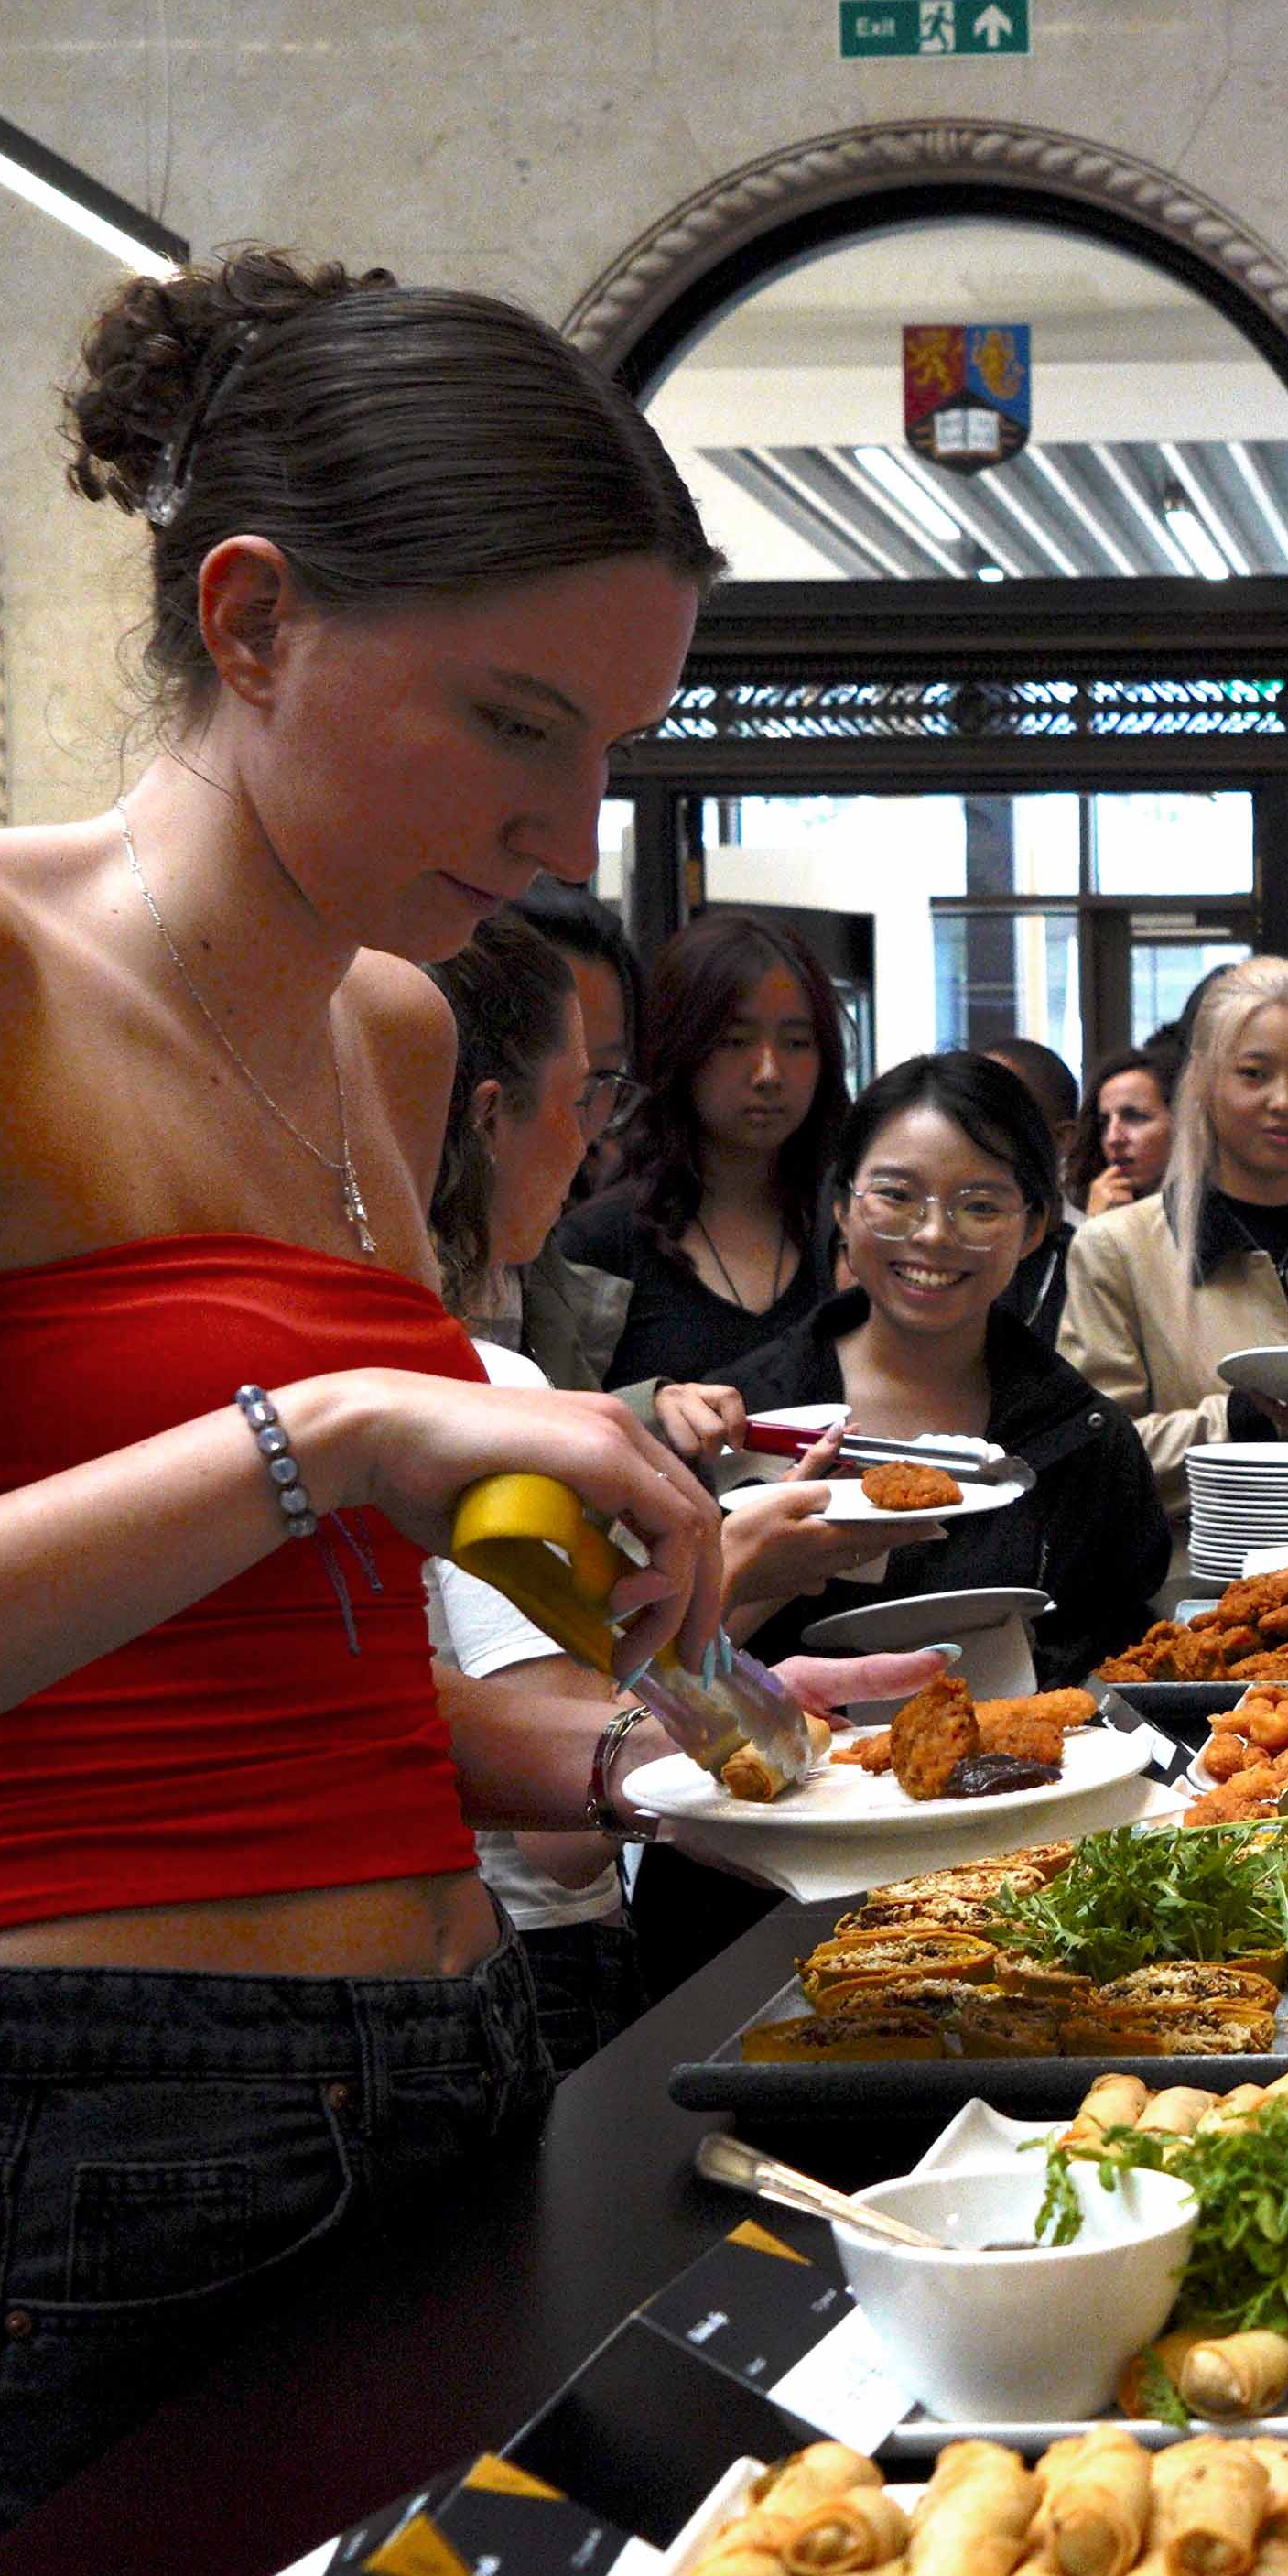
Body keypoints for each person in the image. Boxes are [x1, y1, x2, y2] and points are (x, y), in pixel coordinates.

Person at [0, 247, 908, 2576]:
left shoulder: (386, 1030)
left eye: (610, 742)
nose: (566, 815)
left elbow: (316, 1691)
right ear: (250, 620)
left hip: (452, 2093)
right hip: (99, 2165)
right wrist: (334, 1433)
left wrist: (657, 1731)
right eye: (509, 719)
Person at [413, 910, 898, 2074]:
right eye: (586, 1099)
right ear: (489, 1117)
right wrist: (726, 1616)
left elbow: (574, 1681)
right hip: (519, 1966)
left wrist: (733, 1688)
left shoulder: (414, 1369)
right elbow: (562, 1831)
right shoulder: (478, 1386)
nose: (593, 1142)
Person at [631, 1054, 1168, 1994]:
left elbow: (1115, 1684)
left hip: (1012, 1895)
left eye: (979, 1205)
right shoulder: (740, 1418)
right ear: (841, 1207)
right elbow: (640, 1683)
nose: (933, 1235)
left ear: (1036, 1226)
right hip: (752, 1901)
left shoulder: (1081, 1437)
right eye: (897, 1195)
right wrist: (755, 1575)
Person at [1058, 954, 1288, 1513]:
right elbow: (1090, 1448)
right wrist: (1237, 1420)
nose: (1284, 1101)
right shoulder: (1120, 1248)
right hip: (1203, 1586)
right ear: (1204, 1083)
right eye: (1254, 1074)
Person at [543, 910, 845, 1387]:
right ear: (680, 1046)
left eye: (797, 1042)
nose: (769, 1073)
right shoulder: (599, 1244)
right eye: (735, 1040)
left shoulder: (850, 1232)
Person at [504, 882, 645, 1386]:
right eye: (563, 1078)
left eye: (601, 1080)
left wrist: (654, 1413)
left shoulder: (535, 1259)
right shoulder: (389, 1244)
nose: (579, 1129)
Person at [976, 1036, 1085, 1337]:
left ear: (1061, 1138)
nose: (976, 1131)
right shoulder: (941, 1245)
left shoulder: (1088, 1260)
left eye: (999, 1114)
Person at [1077, 1022, 1184, 1215]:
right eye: (1104, 1124)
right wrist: (1098, 1229)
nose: (1113, 1138)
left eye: (1134, 1118)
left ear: (1182, 1123)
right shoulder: (1101, 1207)